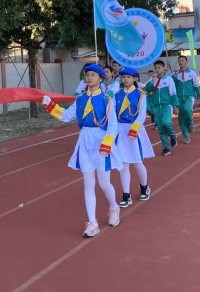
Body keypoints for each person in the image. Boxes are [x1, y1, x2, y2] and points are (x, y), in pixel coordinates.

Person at [42, 64, 123, 237]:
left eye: (93, 75)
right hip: (85, 141)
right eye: (87, 75)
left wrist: (107, 144)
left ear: (101, 79)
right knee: (88, 184)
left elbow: (113, 125)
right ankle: (92, 222)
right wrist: (50, 105)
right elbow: (66, 115)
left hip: (101, 141)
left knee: (104, 183)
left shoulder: (107, 99)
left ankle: (114, 207)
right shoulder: (80, 99)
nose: (89, 77)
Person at [114, 66, 155, 207]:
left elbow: (142, 114)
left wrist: (134, 130)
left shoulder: (140, 94)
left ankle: (144, 186)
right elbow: (112, 114)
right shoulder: (117, 94)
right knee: (123, 165)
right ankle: (126, 195)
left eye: (128, 77)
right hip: (120, 131)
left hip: (134, 130)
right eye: (123, 77)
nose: (125, 79)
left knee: (137, 163)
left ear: (135, 78)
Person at [145, 60, 179, 156]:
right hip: (156, 107)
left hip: (166, 105)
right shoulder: (153, 79)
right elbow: (147, 89)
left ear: (164, 68)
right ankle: (166, 148)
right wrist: (152, 81)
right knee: (160, 128)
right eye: (155, 68)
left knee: (166, 122)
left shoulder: (169, 79)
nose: (157, 70)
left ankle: (173, 135)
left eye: (159, 68)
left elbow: (173, 93)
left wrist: (175, 106)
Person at [173, 55, 200, 143]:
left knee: (188, 109)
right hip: (179, 98)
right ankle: (186, 136)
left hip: (189, 96)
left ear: (186, 62)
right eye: (179, 61)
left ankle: (190, 122)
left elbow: (196, 86)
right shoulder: (175, 74)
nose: (181, 62)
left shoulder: (192, 73)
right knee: (181, 119)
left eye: (182, 61)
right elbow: (172, 88)